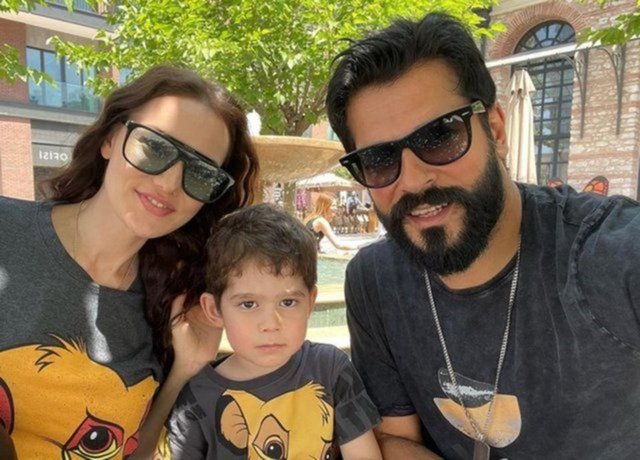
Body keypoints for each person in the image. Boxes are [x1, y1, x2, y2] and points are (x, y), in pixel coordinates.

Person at [326, 12, 640, 460]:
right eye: (379, 159)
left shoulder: (612, 256)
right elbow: (395, 440)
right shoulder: (375, 280)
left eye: (439, 136)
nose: (412, 180)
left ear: (495, 130)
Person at [0, 65, 259, 459]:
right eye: (154, 147)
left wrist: (185, 368)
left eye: (201, 173)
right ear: (109, 138)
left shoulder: (171, 298)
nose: (169, 183)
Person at [162, 203, 382, 459]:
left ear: (310, 302)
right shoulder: (197, 400)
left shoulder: (331, 370)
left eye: (288, 302)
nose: (271, 324)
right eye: (248, 304)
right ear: (214, 309)